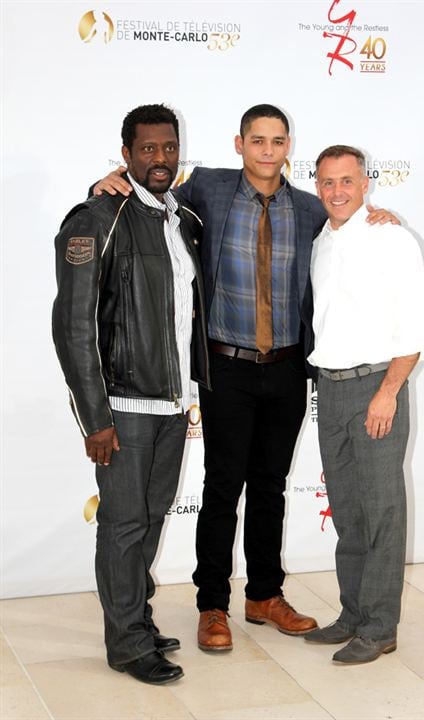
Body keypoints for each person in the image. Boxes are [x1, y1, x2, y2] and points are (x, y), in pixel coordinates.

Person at [94, 105, 397, 653]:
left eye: (277, 141)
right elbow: (149, 200)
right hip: (225, 367)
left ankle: (264, 595)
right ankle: (212, 604)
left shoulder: (308, 209)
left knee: (270, 488)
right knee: (221, 487)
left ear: (288, 147)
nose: (266, 150)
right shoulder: (206, 189)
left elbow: (347, 224)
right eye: (256, 140)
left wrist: (380, 216)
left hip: (285, 370)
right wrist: (105, 182)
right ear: (239, 144)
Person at [52, 104, 210, 684]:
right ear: (126, 154)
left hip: (173, 404)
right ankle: (125, 643)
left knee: (147, 518)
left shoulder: (181, 218)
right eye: (147, 149)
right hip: (122, 405)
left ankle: (135, 619)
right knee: (122, 522)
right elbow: (74, 325)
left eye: (169, 147)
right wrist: (94, 417)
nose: (160, 159)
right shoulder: (97, 217)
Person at [305, 145, 424, 664]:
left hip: (377, 386)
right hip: (329, 389)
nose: (337, 191)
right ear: (317, 186)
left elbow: (415, 328)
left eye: (347, 181)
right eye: (328, 182)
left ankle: (380, 627)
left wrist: (387, 392)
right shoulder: (319, 242)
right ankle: (353, 614)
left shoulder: (391, 237)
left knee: (382, 512)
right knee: (350, 514)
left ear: (366, 183)